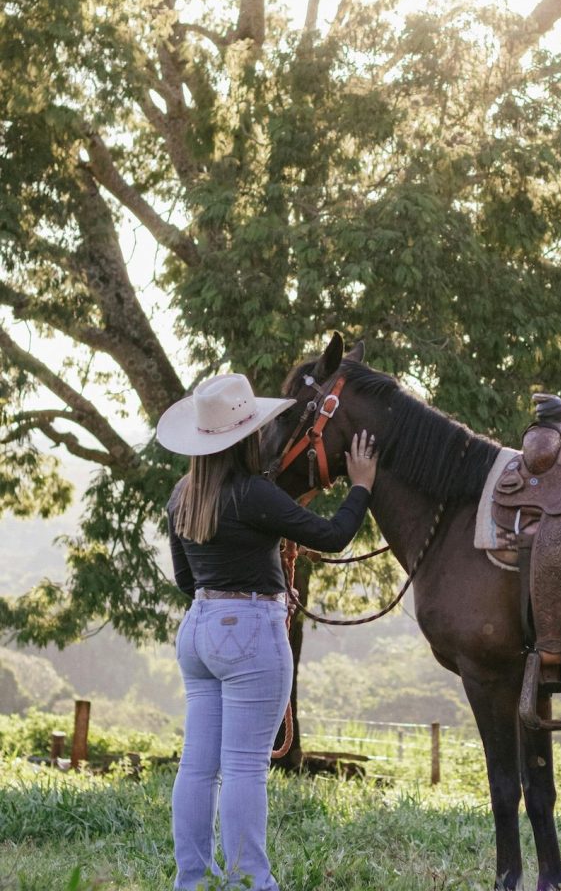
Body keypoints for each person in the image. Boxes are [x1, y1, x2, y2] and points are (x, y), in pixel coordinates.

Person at [156, 372, 377, 891]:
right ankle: (249, 881)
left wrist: (261, 582)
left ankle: (192, 880)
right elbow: (333, 535)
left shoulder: (182, 495)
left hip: (199, 631)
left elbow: (189, 580)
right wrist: (362, 484)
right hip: (248, 631)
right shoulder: (254, 493)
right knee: (244, 768)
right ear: (249, 436)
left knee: (198, 767)